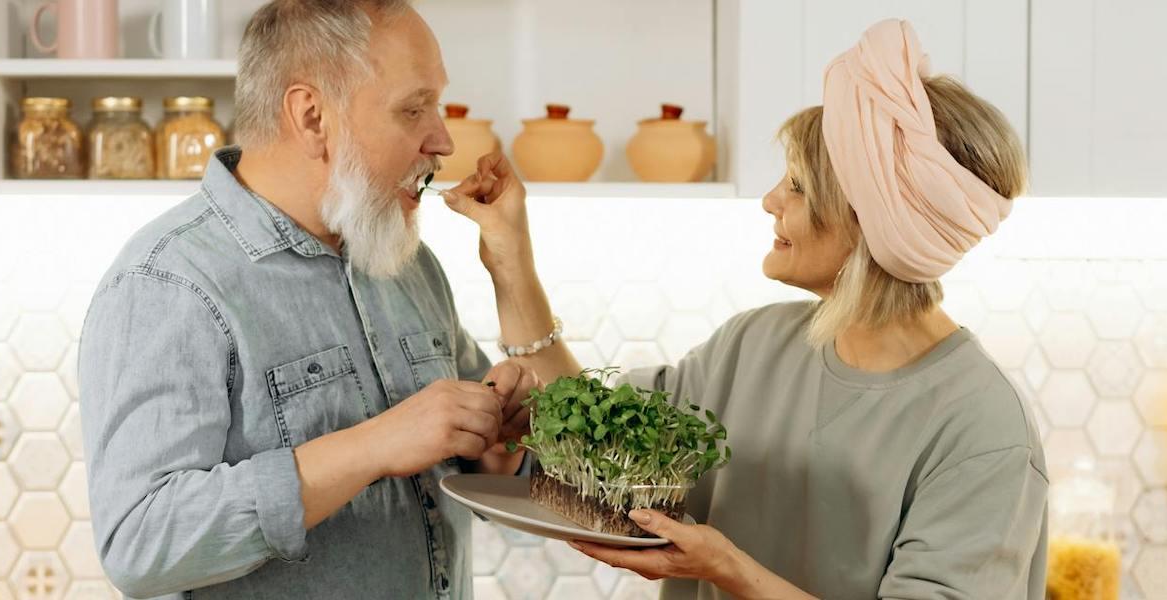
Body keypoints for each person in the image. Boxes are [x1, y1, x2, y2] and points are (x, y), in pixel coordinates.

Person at [444, 18, 1047, 599]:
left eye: (798, 186)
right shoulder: (755, 344)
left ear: (869, 224)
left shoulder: (982, 427)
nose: (769, 200)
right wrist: (510, 258)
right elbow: (602, 442)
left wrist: (729, 569)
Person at [78, 2, 535, 598]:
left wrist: (495, 450)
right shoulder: (167, 282)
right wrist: (373, 445)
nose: (443, 140)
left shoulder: (405, 261)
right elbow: (139, 545)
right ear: (313, 117)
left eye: (437, 106)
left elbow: (477, 461)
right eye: (414, 109)